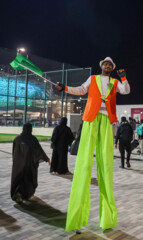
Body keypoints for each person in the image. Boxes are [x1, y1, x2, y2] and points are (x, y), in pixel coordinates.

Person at [56, 57, 130, 232]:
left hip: (107, 120)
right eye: (105, 64)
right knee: (84, 164)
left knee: (105, 164)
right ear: (101, 66)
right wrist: (65, 88)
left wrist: (124, 78)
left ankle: (107, 219)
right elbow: (81, 90)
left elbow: (126, 91)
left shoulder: (114, 81)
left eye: (110, 64)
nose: (107, 66)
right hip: (90, 118)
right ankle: (77, 218)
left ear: (112, 68)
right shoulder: (93, 79)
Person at [11, 123, 51, 203]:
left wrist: (15, 162)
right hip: (29, 165)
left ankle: (18, 195)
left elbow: (14, 152)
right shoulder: (32, 139)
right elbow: (39, 151)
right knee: (28, 180)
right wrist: (47, 160)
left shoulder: (17, 138)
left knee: (18, 180)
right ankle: (25, 195)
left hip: (18, 165)